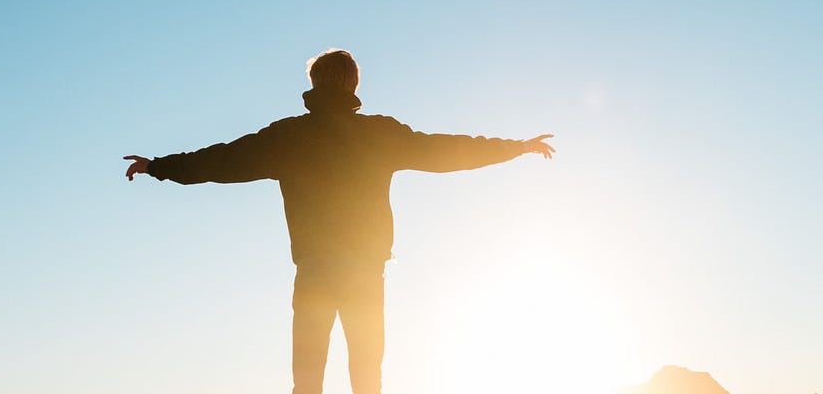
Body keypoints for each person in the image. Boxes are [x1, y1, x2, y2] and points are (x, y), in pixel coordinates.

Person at [122, 49, 554, 394]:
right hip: (365, 272)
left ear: (313, 84)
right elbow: (448, 151)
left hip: (315, 271)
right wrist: (514, 147)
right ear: (354, 85)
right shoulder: (379, 134)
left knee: (307, 382)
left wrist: (158, 166)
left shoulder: (288, 136)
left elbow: (219, 161)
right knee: (367, 380)